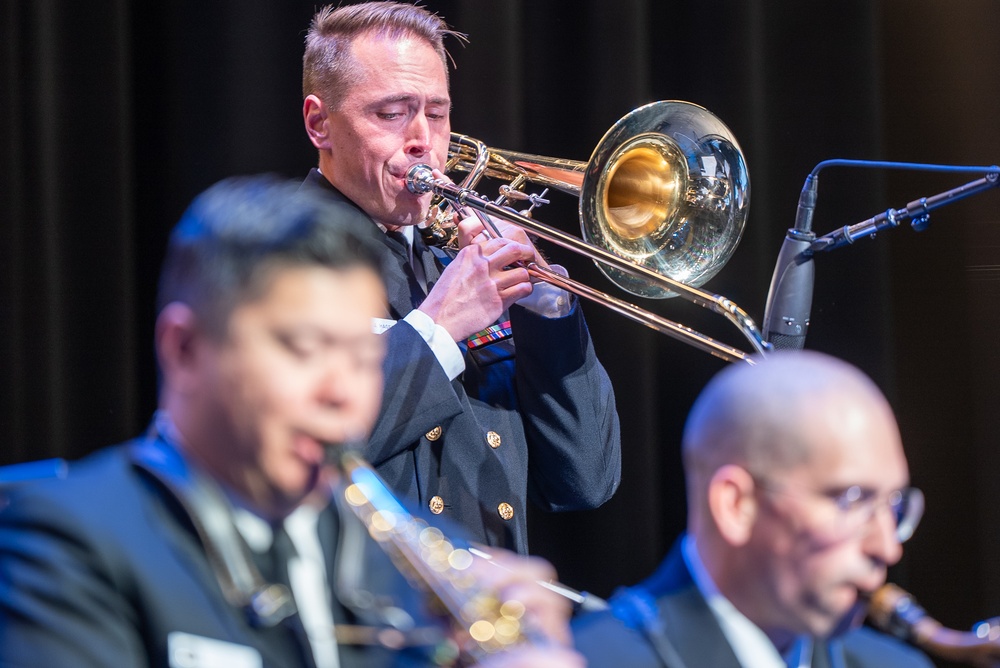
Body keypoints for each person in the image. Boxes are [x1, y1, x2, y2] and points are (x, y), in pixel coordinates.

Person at [0, 176, 584, 668]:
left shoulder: (422, 570)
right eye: (303, 351)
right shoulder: (67, 542)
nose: (342, 393)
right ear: (184, 350)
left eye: (362, 357)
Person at [300, 1, 621, 554]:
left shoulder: (456, 258)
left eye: (438, 113)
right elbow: (306, 444)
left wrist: (550, 317)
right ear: (319, 123)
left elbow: (584, 480)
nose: (424, 139)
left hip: (492, 620)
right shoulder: (279, 259)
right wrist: (439, 327)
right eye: (392, 113)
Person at [572, 351, 934, 667]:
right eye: (852, 500)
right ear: (736, 505)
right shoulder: (588, 659)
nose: (888, 548)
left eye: (895, 505)